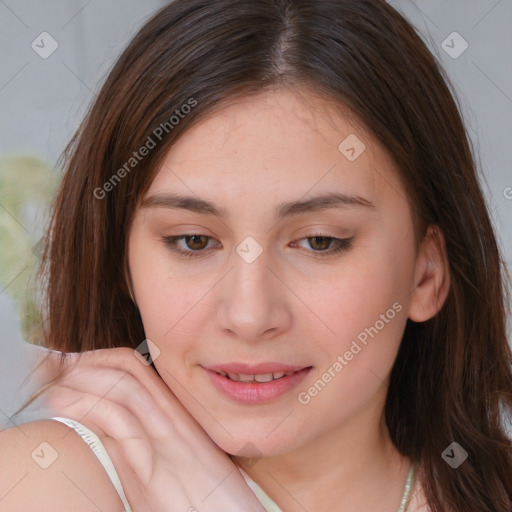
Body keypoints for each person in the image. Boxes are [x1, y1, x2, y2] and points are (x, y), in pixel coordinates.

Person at [1, 0, 511, 510]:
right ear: (122, 265)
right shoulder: (44, 483)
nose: (249, 316)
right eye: (193, 241)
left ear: (426, 275)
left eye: (319, 242)